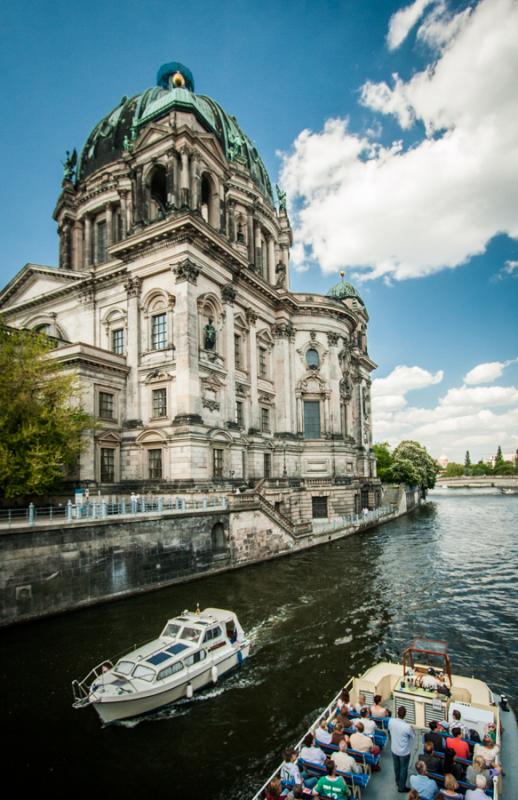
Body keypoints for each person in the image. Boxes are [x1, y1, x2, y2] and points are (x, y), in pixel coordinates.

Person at [388, 705, 415, 793]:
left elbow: (390, 731)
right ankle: (401, 787)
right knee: (403, 769)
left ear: (397, 713)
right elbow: (413, 736)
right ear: (405, 715)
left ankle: (397, 782)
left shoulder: (391, 721)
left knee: (396, 767)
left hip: (394, 749)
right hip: (404, 752)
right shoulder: (407, 726)